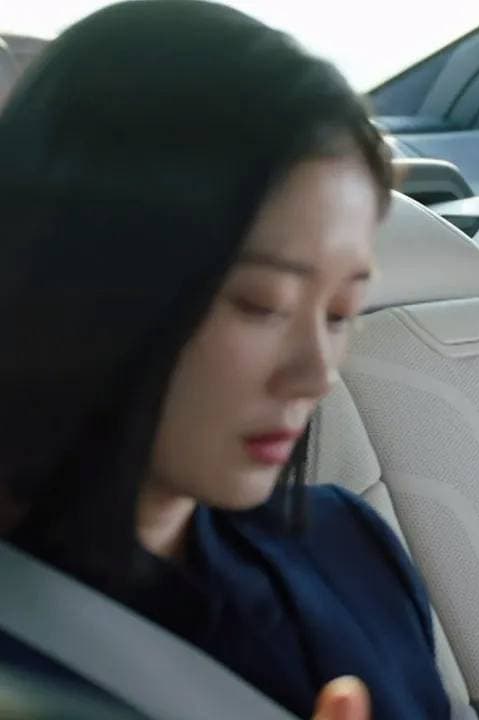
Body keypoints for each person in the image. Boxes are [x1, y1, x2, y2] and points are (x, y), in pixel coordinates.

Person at [0, 2, 449, 717]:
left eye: (340, 313)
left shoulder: (353, 551)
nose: (316, 375)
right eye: (262, 304)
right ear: (85, 276)